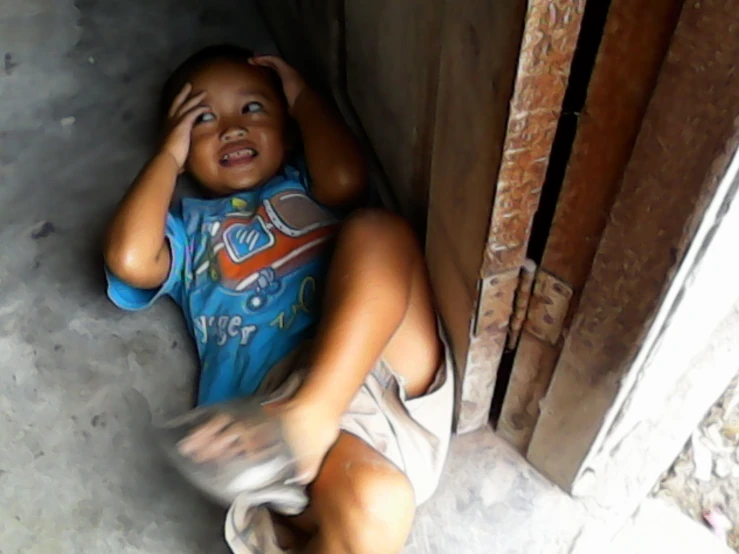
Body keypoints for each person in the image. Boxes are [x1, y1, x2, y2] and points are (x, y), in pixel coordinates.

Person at [103, 44, 454, 554]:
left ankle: (313, 410)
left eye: (252, 109)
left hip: (376, 368)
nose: (231, 129)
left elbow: (347, 179)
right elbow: (129, 257)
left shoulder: (308, 185)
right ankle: (306, 424)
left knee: (378, 232)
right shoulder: (191, 232)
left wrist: (302, 99)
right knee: (377, 501)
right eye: (203, 119)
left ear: (288, 130)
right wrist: (167, 157)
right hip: (273, 422)